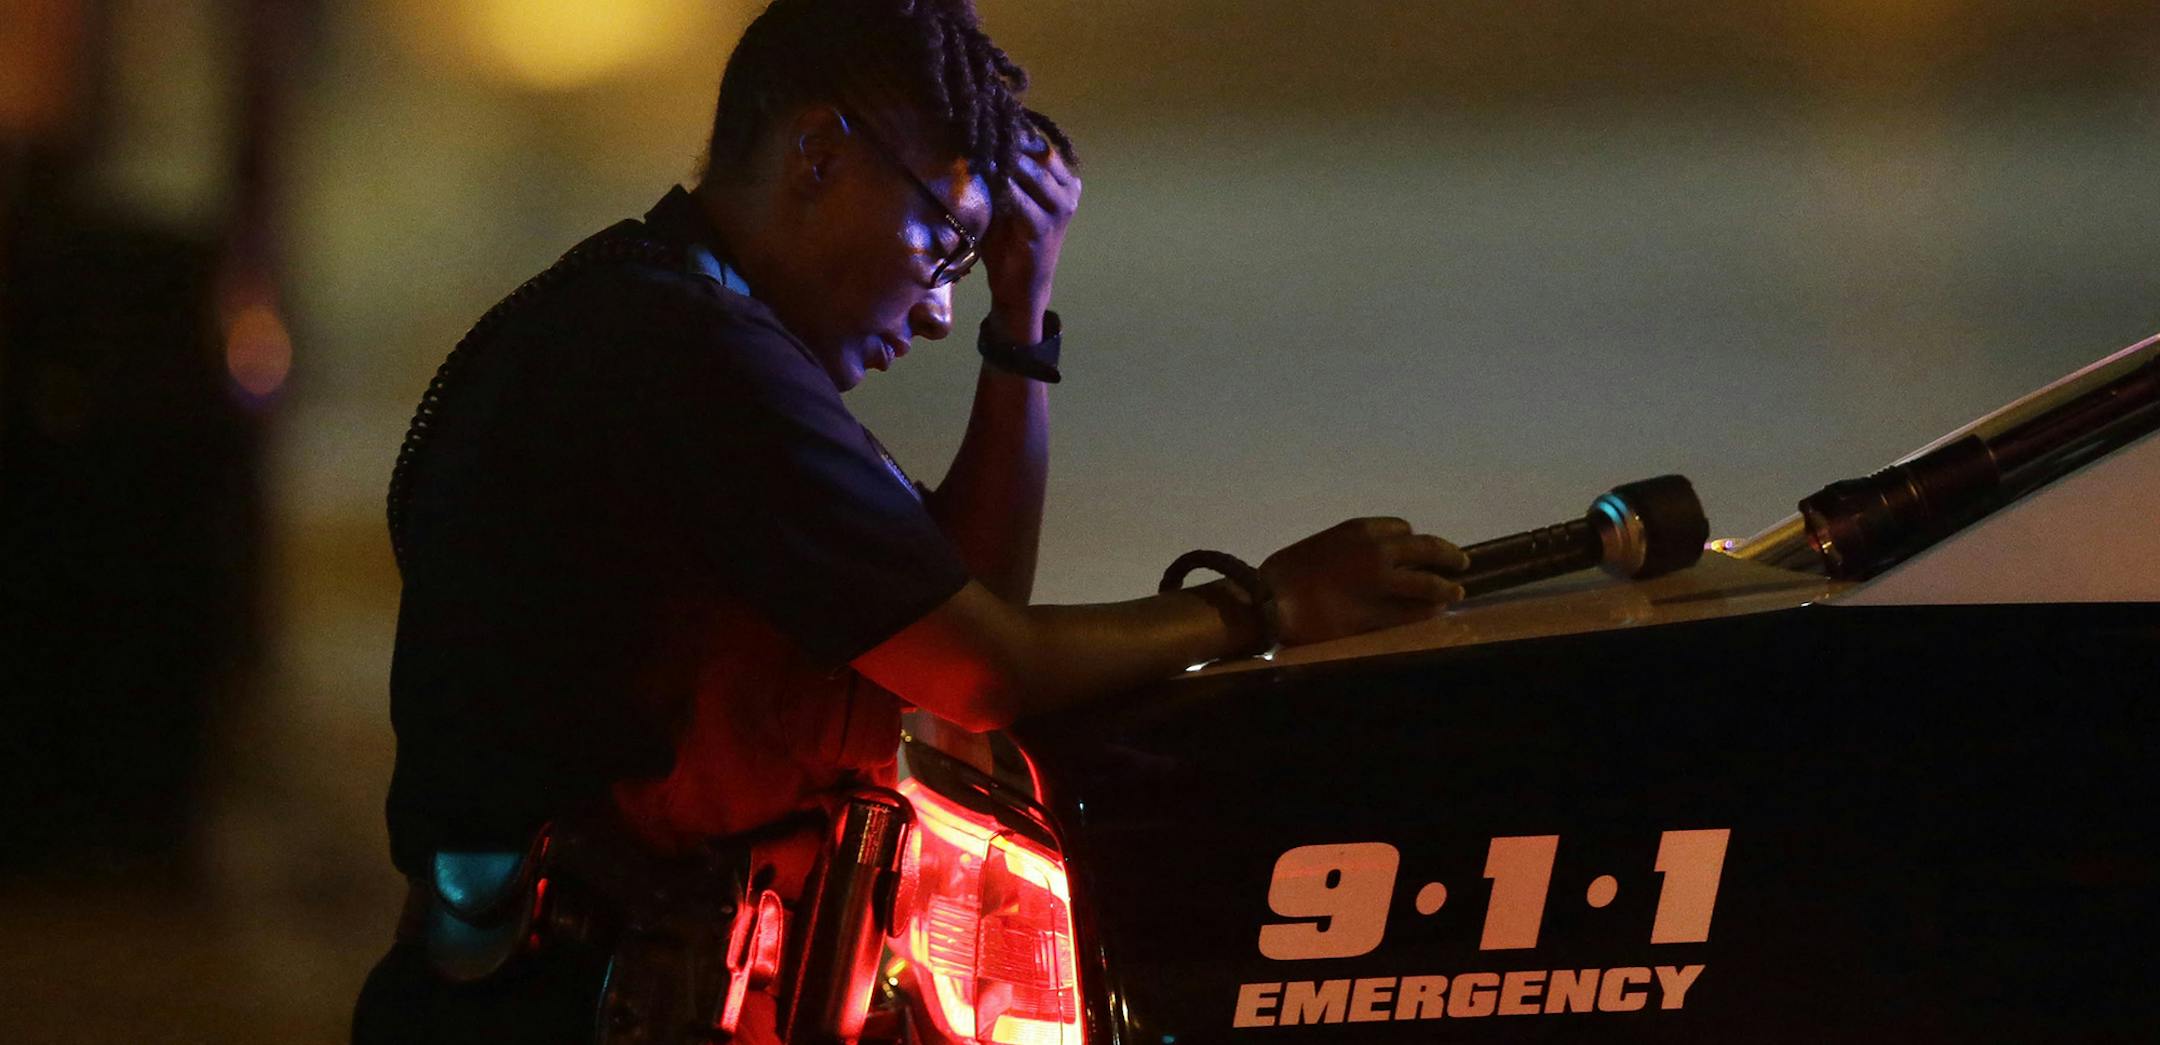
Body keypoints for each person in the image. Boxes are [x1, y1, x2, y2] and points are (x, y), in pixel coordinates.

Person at [354, 1, 1469, 1041]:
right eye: (942, 243)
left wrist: (1021, 315)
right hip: (557, 1009)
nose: (941, 308)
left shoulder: (656, 318)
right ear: (820, 156)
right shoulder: (687, 358)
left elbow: (956, 599)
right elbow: (985, 668)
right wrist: (1268, 605)